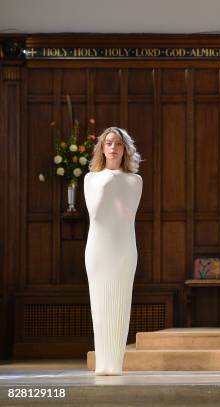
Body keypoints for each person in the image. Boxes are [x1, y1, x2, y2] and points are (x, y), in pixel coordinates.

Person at [84, 127, 142, 375]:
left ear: (125, 148)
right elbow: (95, 215)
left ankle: (115, 364)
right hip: (98, 249)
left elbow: (128, 214)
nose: (113, 147)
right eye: (109, 143)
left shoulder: (134, 180)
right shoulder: (91, 178)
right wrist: (107, 183)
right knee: (99, 306)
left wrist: (115, 183)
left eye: (118, 143)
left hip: (123, 249)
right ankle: (102, 364)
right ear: (102, 148)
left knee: (119, 306)